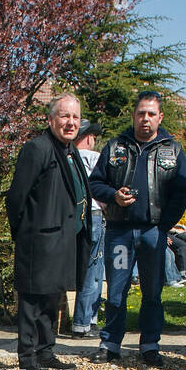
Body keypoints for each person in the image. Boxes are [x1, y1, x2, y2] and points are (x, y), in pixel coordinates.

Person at [88, 91, 186, 366]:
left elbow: (182, 194)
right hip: (120, 231)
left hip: (153, 233)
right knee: (118, 289)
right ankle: (110, 344)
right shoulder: (115, 147)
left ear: (160, 117)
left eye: (151, 114)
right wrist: (113, 196)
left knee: (152, 291)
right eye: (141, 113)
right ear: (134, 115)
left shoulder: (173, 150)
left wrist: (163, 228)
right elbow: (94, 183)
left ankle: (150, 345)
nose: (145, 119)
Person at [6, 94, 93, 370]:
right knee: (31, 303)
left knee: (51, 298)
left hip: (62, 240)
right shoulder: (37, 148)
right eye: (64, 116)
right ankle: (27, 363)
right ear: (51, 119)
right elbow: (16, 196)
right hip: (38, 240)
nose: (71, 122)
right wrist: (24, 233)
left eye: (75, 117)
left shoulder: (70, 149)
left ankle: (45, 351)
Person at [71, 120, 106, 339]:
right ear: (90, 137)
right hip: (94, 213)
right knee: (93, 270)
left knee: (81, 267)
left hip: (75, 215)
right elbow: (102, 190)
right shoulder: (97, 158)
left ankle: (80, 320)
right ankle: (84, 322)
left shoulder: (69, 158)